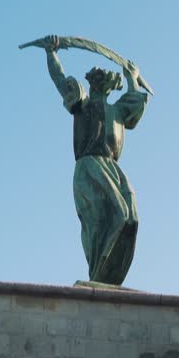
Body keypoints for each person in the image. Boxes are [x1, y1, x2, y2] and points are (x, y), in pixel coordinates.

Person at [41, 35, 148, 285]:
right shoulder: (82, 103)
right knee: (106, 218)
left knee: (130, 216)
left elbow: (135, 101)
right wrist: (51, 53)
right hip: (90, 168)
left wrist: (132, 77)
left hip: (112, 169)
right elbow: (60, 80)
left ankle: (110, 274)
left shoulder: (117, 110)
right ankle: (98, 270)